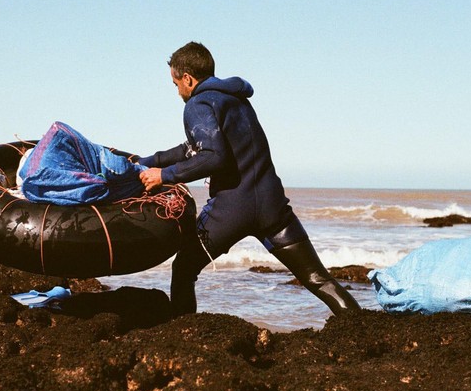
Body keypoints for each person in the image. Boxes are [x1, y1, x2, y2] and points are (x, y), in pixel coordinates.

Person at [136, 41, 360, 316]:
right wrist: (149, 162)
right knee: (317, 278)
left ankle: (186, 334)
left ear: (188, 78)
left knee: (183, 269)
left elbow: (213, 156)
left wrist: (165, 176)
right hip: (272, 206)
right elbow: (192, 148)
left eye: (176, 84)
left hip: (232, 209)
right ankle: (362, 328)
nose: (178, 91)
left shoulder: (197, 104)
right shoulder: (235, 99)